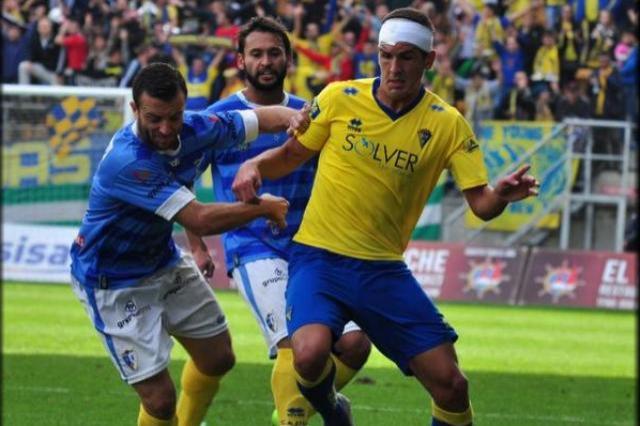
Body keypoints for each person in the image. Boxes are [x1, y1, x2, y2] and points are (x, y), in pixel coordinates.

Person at [233, 8, 539, 426]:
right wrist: (256, 167)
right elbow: (290, 155)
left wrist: (501, 195)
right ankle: (333, 410)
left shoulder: (449, 125)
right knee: (307, 353)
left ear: (429, 61)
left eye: (407, 57)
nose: (394, 68)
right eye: (386, 56)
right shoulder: (338, 98)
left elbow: (481, 205)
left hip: (382, 272)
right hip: (318, 258)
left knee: (452, 385)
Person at [69, 62, 308, 426]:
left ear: (184, 107)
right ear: (135, 110)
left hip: (162, 261)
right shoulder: (128, 161)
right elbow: (198, 219)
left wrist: (298, 118)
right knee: (161, 401)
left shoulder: (198, 127)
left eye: (174, 116)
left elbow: (262, 117)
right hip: (113, 282)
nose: (166, 129)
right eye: (154, 119)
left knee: (218, 358)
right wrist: (261, 208)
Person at [205, 16, 371, 426]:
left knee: (355, 344)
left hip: (310, 247)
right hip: (252, 244)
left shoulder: (310, 114)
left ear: (289, 60)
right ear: (240, 60)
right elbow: (180, 182)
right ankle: (293, 419)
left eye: (274, 53)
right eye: (256, 54)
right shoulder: (218, 118)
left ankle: (327, 404)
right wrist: (195, 243)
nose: (265, 61)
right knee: (292, 345)